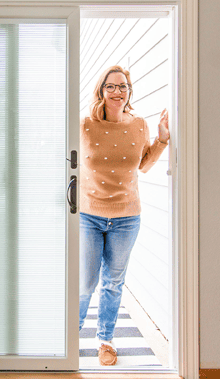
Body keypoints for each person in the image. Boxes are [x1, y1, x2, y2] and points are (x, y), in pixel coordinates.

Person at [79, 65, 170, 366]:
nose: (117, 91)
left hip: (127, 217)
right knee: (85, 282)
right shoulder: (84, 125)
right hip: (89, 215)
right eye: (111, 86)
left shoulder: (139, 125)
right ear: (101, 90)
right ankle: (71, 334)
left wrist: (162, 139)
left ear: (129, 91)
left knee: (113, 282)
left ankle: (105, 338)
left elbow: (143, 165)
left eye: (123, 86)